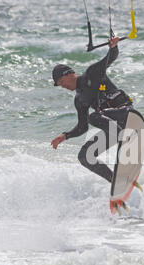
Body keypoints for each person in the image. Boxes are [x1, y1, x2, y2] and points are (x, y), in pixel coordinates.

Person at [51, 37, 136, 184]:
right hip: (113, 127)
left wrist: (113, 47)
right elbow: (82, 127)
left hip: (125, 112)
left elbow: (110, 58)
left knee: (94, 117)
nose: (63, 86)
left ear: (69, 74)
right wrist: (65, 136)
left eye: (61, 82)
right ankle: (116, 182)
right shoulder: (79, 100)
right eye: (59, 85)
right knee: (84, 156)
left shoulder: (92, 73)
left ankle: (126, 141)